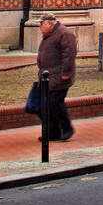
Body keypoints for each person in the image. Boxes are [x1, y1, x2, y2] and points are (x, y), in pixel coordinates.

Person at [36, 12, 78, 141]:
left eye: (41, 24)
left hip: (59, 76)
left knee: (55, 103)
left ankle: (67, 128)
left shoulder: (64, 34)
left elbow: (69, 55)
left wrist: (66, 73)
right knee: (47, 104)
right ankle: (53, 132)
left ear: (49, 23)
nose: (40, 27)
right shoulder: (50, 35)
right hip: (49, 76)